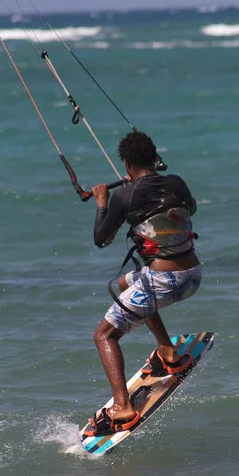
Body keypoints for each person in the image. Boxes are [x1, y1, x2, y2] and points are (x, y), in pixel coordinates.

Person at [86, 130, 201, 437]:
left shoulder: (124, 195)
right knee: (128, 283)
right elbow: (190, 209)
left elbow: (101, 240)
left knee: (103, 336)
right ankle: (168, 352)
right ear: (154, 159)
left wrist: (103, 203)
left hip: (163, 282)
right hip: (191, 277)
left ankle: (122, 408)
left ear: (126, 164)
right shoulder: (176, 182)